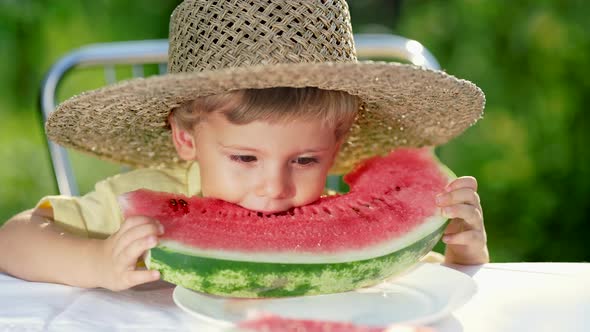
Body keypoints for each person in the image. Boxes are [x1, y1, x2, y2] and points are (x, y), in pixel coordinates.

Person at [0, 0, 488, 292]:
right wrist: (96, 262)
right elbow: (13, 239)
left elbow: (419, 280)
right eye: (244, 158)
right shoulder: (147, 201)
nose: (274, 188)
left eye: (304, 160)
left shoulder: (348, 219)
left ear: (337, 149)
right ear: (187, 138)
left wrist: (462, 255)